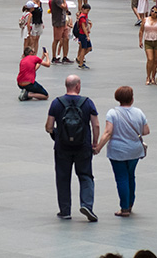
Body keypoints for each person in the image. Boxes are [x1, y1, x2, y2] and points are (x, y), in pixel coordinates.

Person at [45, 75, 99, 222]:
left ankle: (65, 211)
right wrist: (95, 143)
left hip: (62, 147)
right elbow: (96, 125)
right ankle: (87, 205)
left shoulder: (57, 103)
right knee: (86, 176)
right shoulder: (87, 103)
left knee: (63, 177)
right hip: (83, 146)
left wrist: (57, 134)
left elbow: (48, 127)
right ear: (78, 86)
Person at [94, 86, 150, 217]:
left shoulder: (112, 113)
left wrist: (98, 147)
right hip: (134, 150)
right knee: (131, 176)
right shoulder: (139, 112)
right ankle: (130, 204)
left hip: (117, 151)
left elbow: (108, 133)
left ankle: (124, 208)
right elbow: (146, 131)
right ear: (132, 99)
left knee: (121, 178)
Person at [139, 5, 157, 85]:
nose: (153, 13)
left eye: (155, 12)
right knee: (150, 59)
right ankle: (148, 76)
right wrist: (140, 40)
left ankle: (153, 77)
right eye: (152, 11)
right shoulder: (145, 20)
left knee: (155, 60)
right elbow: (141, 31)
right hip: (148, 41)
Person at [50, 0, 73, 64]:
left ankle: (65, 56)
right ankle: (54, 57)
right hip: (58, 22)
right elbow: (64, 6)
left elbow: (66, 8)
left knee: (66, 39)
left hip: (64, 22)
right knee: (56, 40)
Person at [75, 3, 93, 70]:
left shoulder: (85, 16)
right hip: (82, 34)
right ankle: (80, 62)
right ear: (83, 9)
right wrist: (87, 35)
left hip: (84, 34)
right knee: (83, 48)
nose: (88, 12)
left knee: (89, 48)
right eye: (87, 10)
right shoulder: (82, 17)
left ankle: (80, 59)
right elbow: (83, 28)